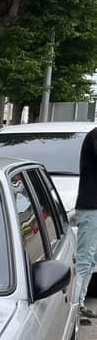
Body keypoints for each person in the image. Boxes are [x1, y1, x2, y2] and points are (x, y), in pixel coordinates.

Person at [74, 125, 97, 320]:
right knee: (84, 259)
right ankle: (73, 308)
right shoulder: (95, 136)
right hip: (91, 208)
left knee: (91, 260)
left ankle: (80, 303)